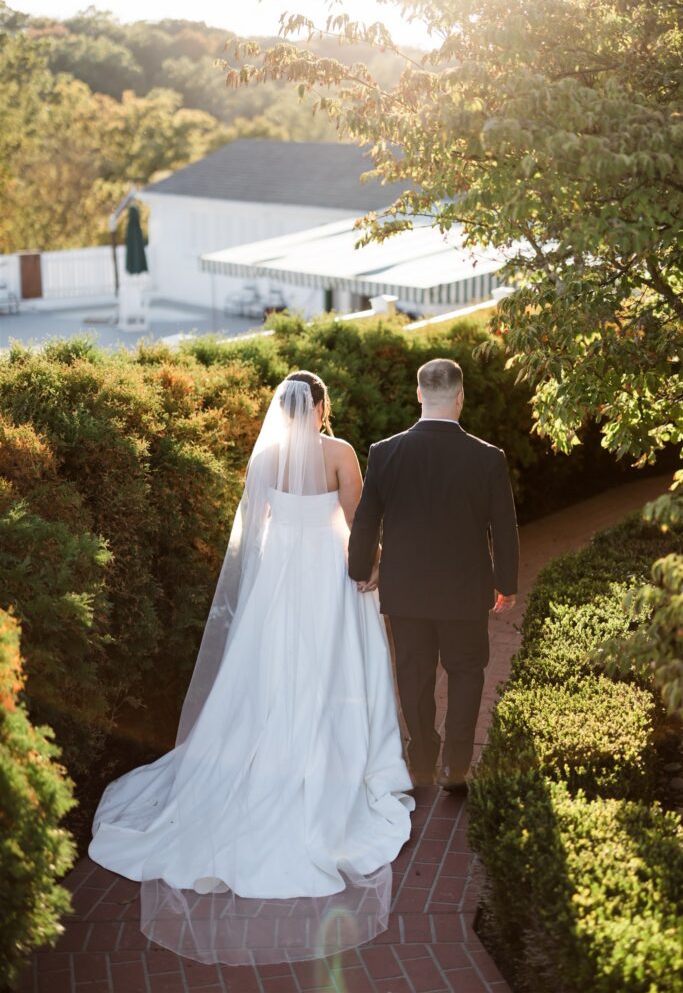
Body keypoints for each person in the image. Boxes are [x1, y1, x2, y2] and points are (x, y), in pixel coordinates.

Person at [89, 372, 414, 966]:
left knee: (272, 674)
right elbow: (360, 523)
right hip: (330, 575)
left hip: (280, 581)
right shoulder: (340, 452)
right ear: (320, 407)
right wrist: (371, 569)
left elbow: (254, 534)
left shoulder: (264, 457)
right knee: (336, 669)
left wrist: (266, 592)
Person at [348, 358, 519, 795]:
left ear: (419, 394)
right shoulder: (487, 458)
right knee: (466, 673)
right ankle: (455, 767)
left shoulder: (385, 452)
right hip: (465, 591)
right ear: (460, 397)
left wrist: (359, 568)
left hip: (405, 591)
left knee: (413, 674)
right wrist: (506, 583)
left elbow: (366, 521)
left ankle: (421, 759)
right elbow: (503, 526)